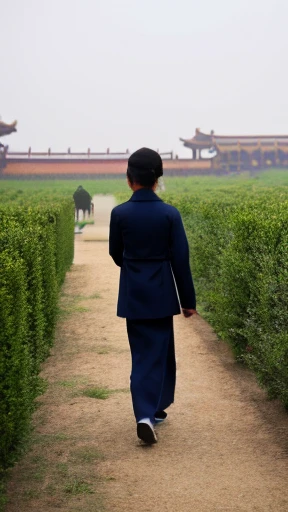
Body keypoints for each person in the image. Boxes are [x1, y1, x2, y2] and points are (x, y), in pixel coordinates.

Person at [109, 148, 197, 445]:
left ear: (129, 179)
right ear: (157, 179)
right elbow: (180, 260)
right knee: (158, 352)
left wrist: (134, 266)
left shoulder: (119, 213)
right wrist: (188, 302)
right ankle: (146, 413)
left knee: (144, 352)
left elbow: (115, 254)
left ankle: (155, 409)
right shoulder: (170, 214)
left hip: (134, 293)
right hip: (161, 292)